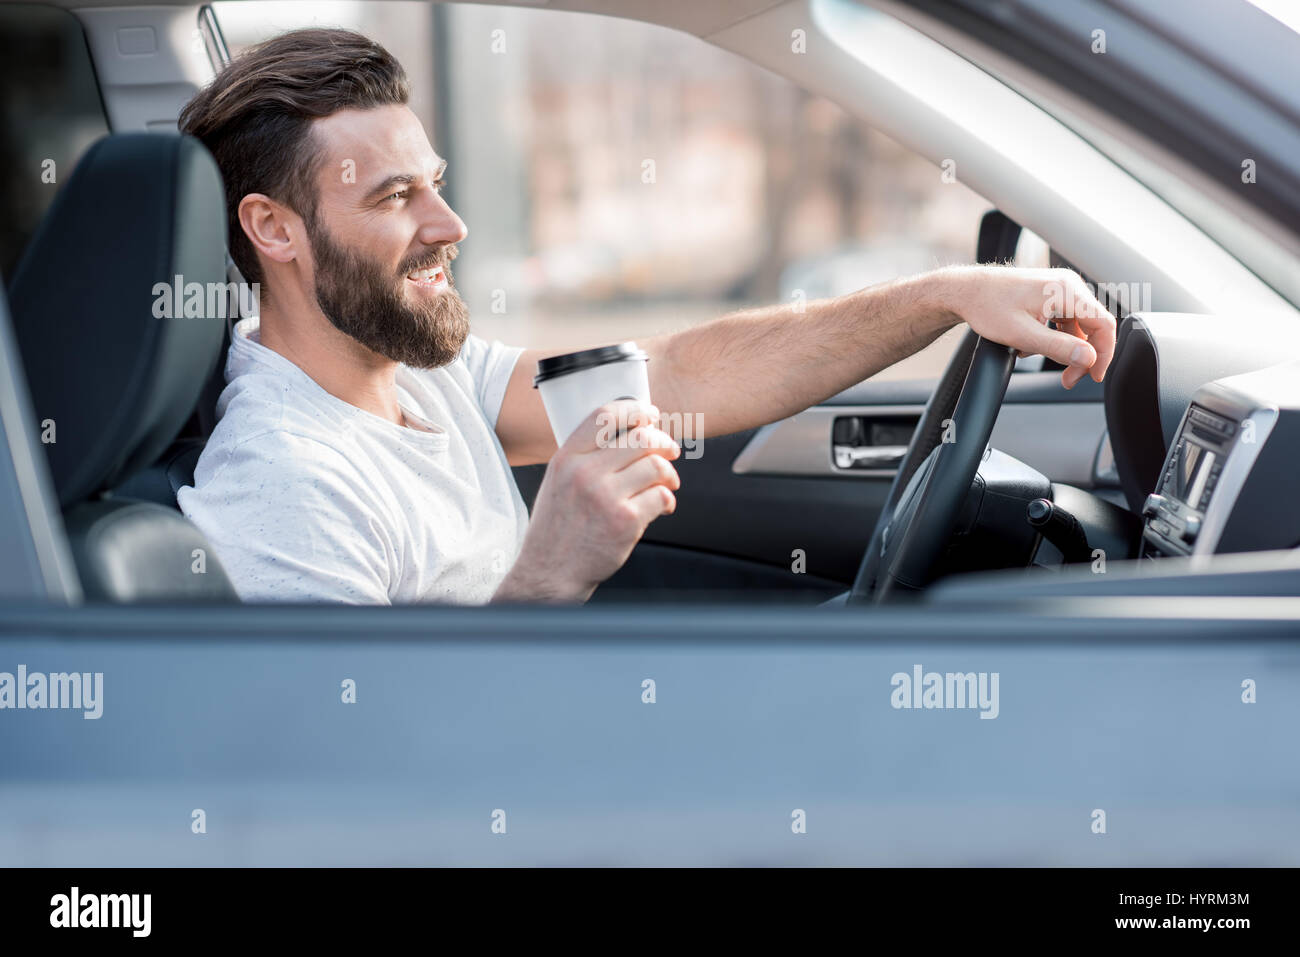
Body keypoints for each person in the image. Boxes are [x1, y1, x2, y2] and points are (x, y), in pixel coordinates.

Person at [176, 28, 1115, 605]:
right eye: (394, 199)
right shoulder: (282, 482)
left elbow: (678, 376)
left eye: (439, 186)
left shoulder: (425, 374)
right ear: (275, 230)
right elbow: (347, 792)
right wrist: (548, 577)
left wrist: (942, 297)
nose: (448, 225)